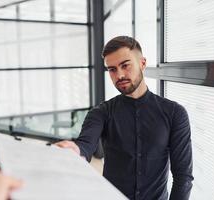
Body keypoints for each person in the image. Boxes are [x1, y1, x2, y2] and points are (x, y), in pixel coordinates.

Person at [56, 36, 194, 200]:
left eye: (125, 65)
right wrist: (75, 150)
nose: (119, 75)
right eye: (112, 69)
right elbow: (85, 146)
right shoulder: (101, 112)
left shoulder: (175, 113)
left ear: (142, 64)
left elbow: (183, 177)